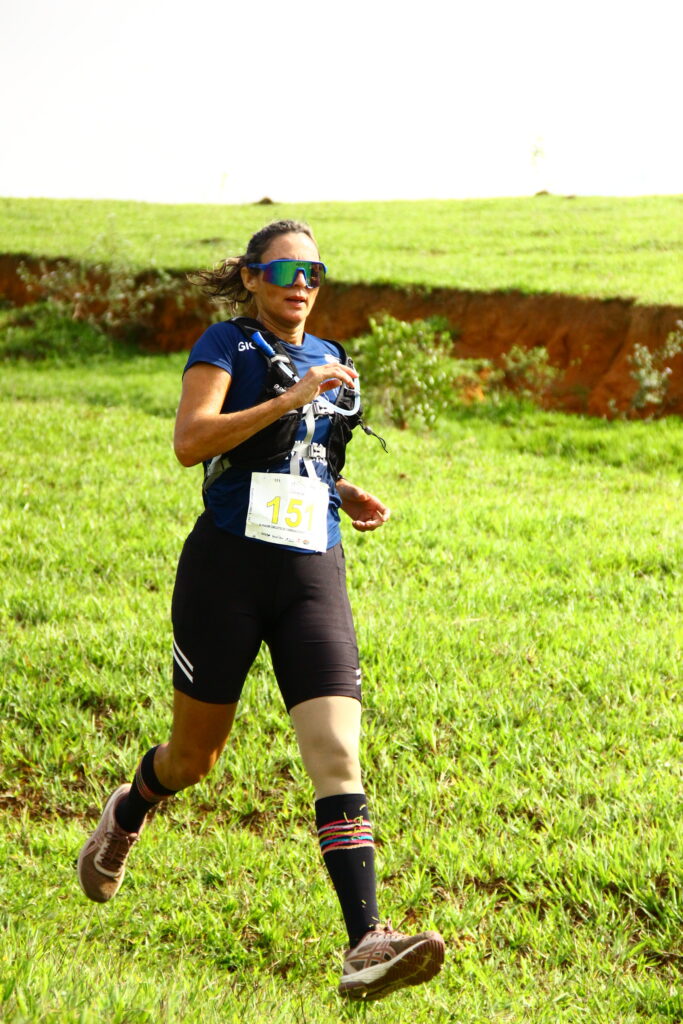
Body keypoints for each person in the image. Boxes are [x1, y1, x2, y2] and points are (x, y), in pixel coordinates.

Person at [77, 219, 445, 1001]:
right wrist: (290, 398)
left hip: (313, 569)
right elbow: (192, 442)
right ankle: (131, 808)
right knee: (192, 761)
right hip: (227, 571)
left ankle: (365, 943)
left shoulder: (333, 355)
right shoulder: (226, 344)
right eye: (282, 271)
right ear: (250, 278)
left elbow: (304, 455)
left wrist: (342, 490)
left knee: (337, 754)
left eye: (312, 272)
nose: (300, 284)